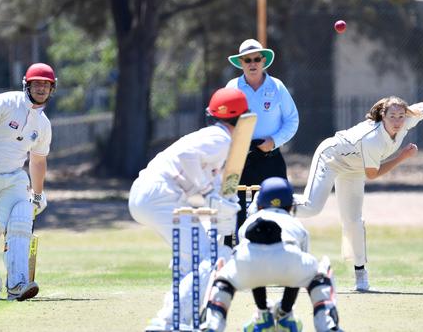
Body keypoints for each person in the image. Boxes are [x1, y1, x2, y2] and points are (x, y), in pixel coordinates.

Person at [295, 82, 423, 292]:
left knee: (354, 221)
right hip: (332, 157)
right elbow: (373, 174)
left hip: (354, 167)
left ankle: (361, 277)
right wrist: (402, 157)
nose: (398, 121)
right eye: (392, 116)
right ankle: (266, 202)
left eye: (401, 116)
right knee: (311, 207)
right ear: (383, 116)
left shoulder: (408, 117)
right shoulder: (373, 139)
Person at [129, 87, 249, 331]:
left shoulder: (214, 138)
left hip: (151, 194)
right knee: (208, 257)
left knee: (191, 257)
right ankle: (167, 322)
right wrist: (206, 191)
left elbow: (213, 180)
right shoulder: (222, 139)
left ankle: (184, 318)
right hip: (160, 195)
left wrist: (221, 200)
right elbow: (186, 156)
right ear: (241, 118)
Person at [200, 177, 342, 332]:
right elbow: (296, 272)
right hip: (289, 262)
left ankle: (214, 324)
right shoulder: (297, 226)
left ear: (259, 204)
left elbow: (256, 265)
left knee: (220, 275)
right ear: (290, 206)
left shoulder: (249, 222)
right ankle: (324, 325)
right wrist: (285, 308)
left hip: (248, 265)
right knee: (321, 271)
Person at [0, 62, 55, 301]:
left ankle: (17, 285)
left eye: (46, 85)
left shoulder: (43, 125)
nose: (41, 88)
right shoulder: (6, 101)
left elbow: (37, 162)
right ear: (26, 84)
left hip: (14, 177)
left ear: (52, 89)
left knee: (22, 216)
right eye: (37, 83)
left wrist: (37, 193)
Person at [225, 39, 300, 310]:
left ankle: (279, 263)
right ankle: (240, 265)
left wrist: (274, 141)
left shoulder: (276, 87)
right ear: (241, 64)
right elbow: (222, 118)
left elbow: (292, 120)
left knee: (275, 208)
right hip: (240, 155)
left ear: (264, 61)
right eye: (248, 60)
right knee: (236, 208)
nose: (253, 64)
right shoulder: (232, 88)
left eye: (257, 59)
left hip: (269, 154)